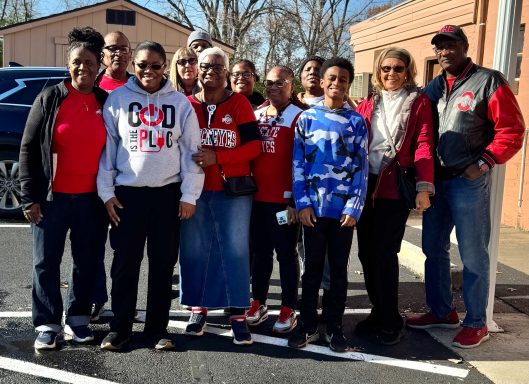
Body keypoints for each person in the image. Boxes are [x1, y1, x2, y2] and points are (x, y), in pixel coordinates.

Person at [407, 25, 525, 349]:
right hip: (437, 183)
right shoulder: (434, 86)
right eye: (439, 47)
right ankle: (442, 311)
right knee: (433, 249)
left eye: (450, 46)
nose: (444, 52)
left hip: (467, 182)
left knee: (473, 255)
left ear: (464, 46)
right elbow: (415, 116)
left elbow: (513, 129)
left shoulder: (489, 81)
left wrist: (485, 162)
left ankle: (477, 322)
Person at [97, 41, 204, 351]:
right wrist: (106, 193)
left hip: (167, 196)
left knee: (162, 265)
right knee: (124, 265)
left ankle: (157, 330)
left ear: (163, 66)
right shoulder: (117, 100)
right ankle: (121, 329)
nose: (149, 71)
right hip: (127, 196)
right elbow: (107, 151)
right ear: (135, 65)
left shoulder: (180, 104)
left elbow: (191, 153)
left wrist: (189, 195)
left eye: (156, 65)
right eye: (143, 65)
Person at [19, 27, 108, 350]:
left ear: (99, 65)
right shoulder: (50, 98)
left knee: (87, 259)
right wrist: (30, 198)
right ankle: (47, 323)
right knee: (46, 262)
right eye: (76, 62)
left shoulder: (105, 102)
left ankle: (78, 318)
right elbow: (28, 148)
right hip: (51, 200)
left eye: (89, 61)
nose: (82, 67)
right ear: (67, 64)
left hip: (92, 200)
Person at [179, 47, 261, 345]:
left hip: (233, 190)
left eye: (217, 66)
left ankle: (237, 313)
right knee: (195, 249)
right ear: (196, 70)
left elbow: (254, 146)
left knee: (235, 250)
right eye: (204, 66)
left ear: (226, 73)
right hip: (195, 190)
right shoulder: (186, 104)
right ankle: (198, 308)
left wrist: (219, 158)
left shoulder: (238, 103)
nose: (210, 71)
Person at [355, 47, 434, 345]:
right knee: (364, 253)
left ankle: (391, 318)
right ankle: (379, 311)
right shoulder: (368, 103)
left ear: (408, 71)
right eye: (386, 68)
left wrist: (424, 186)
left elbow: (424, 142)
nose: (391, 74)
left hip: (394, 186)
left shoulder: (419, 102)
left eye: (398, 68)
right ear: (378, 72)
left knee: (384, 253)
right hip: (366, 186)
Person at [288, 58, 368, 352]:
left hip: (342, 211)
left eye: (343, 79)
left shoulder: (357, 121)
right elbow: (298, 164)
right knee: (311, 269)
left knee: (338, 270)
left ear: (349, 84)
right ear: (322, 82)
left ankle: (334, 326)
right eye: (331, 78)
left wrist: (353, 207)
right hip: (313, 211)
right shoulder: (307, 119)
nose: (337, 83)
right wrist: (303, 203)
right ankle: (307, 323)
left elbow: (361, 166)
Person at [246, 66, 302, 333]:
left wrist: (295, 201)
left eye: (281, 83)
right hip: (256, 199)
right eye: (269, 83)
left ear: (292, 86)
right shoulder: (256, 115)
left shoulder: (300, 117)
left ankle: (289, 307)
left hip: (284, 202)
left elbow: (302, 163)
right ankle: (259, 301)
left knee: (286, 254)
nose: (274, 88)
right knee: (259, 254)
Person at [91, 30, 133, 323]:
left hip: (127, 184)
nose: (117, 53)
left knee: (125, 252)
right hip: (90, 180)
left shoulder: (140, 85)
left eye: (123, 48)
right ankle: (96, 298)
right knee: (91, 246)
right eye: (112, 48)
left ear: (131, 54)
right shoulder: (90, 86)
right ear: (102, 54)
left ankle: (124, 307)